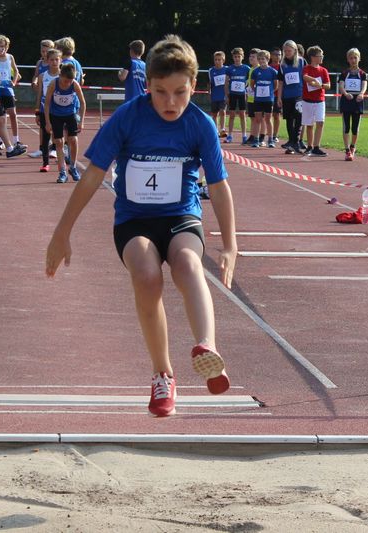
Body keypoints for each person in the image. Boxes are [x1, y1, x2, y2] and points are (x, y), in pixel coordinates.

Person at [44, 35, 237, 418]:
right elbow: (92, 176)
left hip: (181, 216)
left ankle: (207, 347)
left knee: (187, 262)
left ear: (193, 86)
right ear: (147, 84)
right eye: (160, 92)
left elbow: (218, 186)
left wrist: (230, 245)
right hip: (134, 220)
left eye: (180, 92)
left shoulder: (200, 125)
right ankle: (163, 374)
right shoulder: (128, 117)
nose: (170, 102)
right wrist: (62, 232)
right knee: (147, 275)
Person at [44, 62, 86, 183]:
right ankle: (62, 172)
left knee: (73, 140)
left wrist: (81, 121)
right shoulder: (54, 84)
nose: (68, 83)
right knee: (59, 142)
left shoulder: (75, 84)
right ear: (60, 76)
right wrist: (47, 122)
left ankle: (73, 167)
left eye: (70, 81)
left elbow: (83, 103)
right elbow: (46, 104)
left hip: (70, 114)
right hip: (56, 115)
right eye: (66, 81)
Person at [338, 47, 367, 161]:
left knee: (355, 128)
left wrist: (361, 94)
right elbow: (341, 86)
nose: (353, 60)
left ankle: (353, 146)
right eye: (351, 58)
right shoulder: (344, 73)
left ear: (359, 58)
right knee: (346, 127)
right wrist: (345, 94)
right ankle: (347, 150)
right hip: (347, 101)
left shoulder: (362, 74)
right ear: (348, 59)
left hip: (357, 102)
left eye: (355, 58)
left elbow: (364, 85)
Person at [302, 45, 331, 157]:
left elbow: (328, 85)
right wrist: (314, 80)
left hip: (320, 100)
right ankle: (309, 146)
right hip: (308, 100)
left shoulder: (324, 70)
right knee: (309, 124)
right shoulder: (307, 68)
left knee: (320, 122)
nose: (322, 57)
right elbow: (305, 77)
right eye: (320, 56)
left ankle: (316, 147)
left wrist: (320, 85)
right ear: (313, 57)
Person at [277, 40, 305, 154]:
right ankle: (291, 141)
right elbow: (280, 82)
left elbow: (306, 77)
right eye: (285, 51)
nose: (287, 53)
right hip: (287, 96)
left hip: (299, 95)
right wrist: (279, 97)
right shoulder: (282, 65)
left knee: (298, 118)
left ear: (295, 50)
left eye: (289, 50)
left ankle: (296, 141)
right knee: (289, 119)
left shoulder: (301, 62)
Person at [35, 48, 61, 172]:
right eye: (52, 60)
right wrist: (37, 112)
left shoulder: (63, 75)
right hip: (45, 110)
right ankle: (45, 163)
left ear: (60, 61)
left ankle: (62, 161)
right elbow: (40, 94)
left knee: (59, 137)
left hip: (60, 111)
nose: (54, 62)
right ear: (47, 61)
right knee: (45, 137)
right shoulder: (42, 76)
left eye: (57, 59)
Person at [29, 39, 56, 158]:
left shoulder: (54, 63)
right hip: (43, 98)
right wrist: (34, 82)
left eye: (47, 51)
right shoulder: (39, 63)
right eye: (42, 51)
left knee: (54, 124)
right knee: (42, 125)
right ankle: (42, 148)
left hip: (54, 99)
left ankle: (54, 148)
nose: (44, 53)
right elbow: (36, 75)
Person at [0, 36, 25, 149]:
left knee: (13, 114)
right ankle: (0, 141)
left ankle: (16, 140)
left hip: (8, 89)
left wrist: (13, 82)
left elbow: (16, 70)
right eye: (1, 46)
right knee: (0, 116)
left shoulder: (10, 57)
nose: (3, 49)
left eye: (5, 46)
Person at [248, 50, 277, 148]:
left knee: (268, 119)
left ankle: (271, 140)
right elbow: (252, 84)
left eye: (263, 59)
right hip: (258, 99)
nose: (261, 61)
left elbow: (276, 85)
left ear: (268, 59)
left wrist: (269, 92)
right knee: (257, 119)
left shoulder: (273, 71)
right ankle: (256, 140)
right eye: (259, 59)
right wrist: (258, 92)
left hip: (268, 99)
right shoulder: (255, 71)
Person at [224, 47, 249, 144]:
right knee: (232, 115)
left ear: (242, 57)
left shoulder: (246, 68)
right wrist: (226, 95)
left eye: (239, 56)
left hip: (242, 94)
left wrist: (247, 92)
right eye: (235, 57)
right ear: (233, 57)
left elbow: (251, 81)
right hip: (233, 94)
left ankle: (244, 136)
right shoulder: (229, 69)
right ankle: (230, 135)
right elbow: (226, 83)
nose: (237, 58)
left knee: (242, 114)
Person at [207, 51, 228, 137]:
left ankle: (222, 129)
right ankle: (215, 130)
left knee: (223, 111)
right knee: (214, 114)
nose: (217, 61)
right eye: (215, 60)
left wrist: (228, 94)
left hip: (223, 95)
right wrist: (209, 92)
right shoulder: (211, 70)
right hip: (214, 95)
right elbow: (209, 83)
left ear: (223, 60)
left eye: (219, 60)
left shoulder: (227, 70)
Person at [243, 48, 260, 146]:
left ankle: (259, 137)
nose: (251, 58)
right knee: (252, 117)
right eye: (250, 56)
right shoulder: (251, 69)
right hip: (250, 96)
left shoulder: (259, 69)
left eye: (253, 57)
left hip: (258, 98)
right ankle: (252, 136)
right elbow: (249, 83)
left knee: (259, 118)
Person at [269, 47, 283, 144]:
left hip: (278, 95)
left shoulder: (283, 67)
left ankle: (275, 135)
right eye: (275, 54)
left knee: (277, 115)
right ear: (271, 55)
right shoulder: (268, 67)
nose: (278, 56)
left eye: (279, 55)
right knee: (267, 116)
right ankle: (268, 134)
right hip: (268, 95)